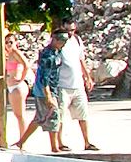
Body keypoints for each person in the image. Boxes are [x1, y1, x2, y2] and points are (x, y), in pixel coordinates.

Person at [40, 23, 98, 152]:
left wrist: (87, 77)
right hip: (62, 85)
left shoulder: (77, 40)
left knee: (83, 115)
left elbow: (81, 59)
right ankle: (60, 143)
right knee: (60, 115)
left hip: (77, 84)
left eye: (73, 30)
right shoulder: (58, 44)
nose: (70, 33)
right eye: (68, 30)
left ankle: (87, 142)